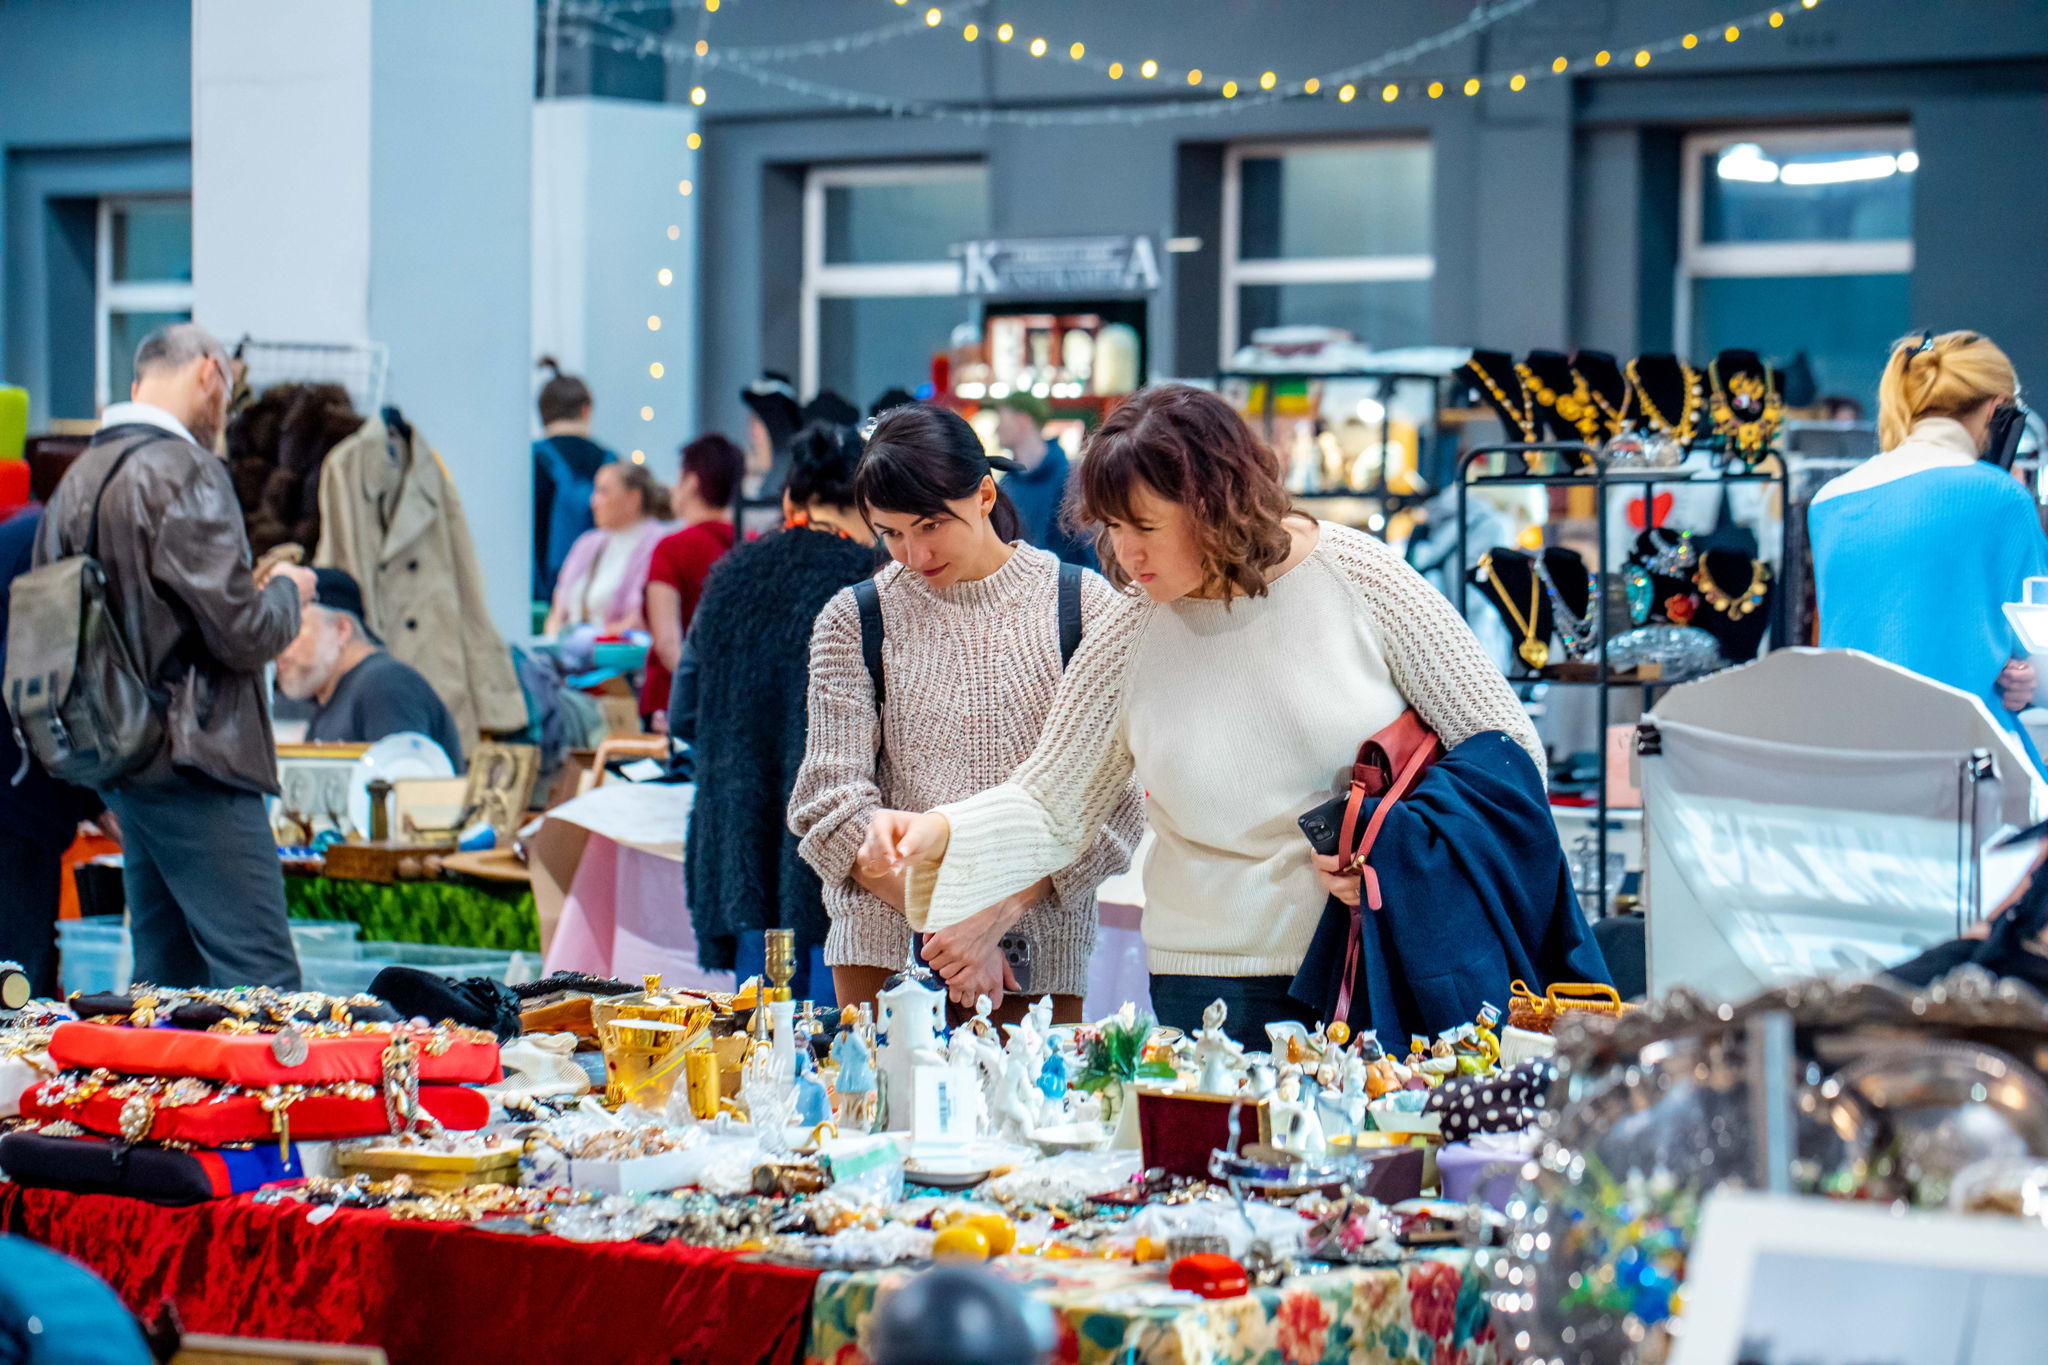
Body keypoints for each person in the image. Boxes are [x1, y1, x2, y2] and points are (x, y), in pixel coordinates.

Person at [861, 384, 1542, 1040]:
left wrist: (1398, 848)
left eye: (1146, 527)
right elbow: (1050, 803)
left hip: (1380, 961)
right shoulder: (1129, 631)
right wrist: (941, 832)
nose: (1126, 553)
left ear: (1217, 504)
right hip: (1206, 987)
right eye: (1114, 526)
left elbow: (1507, 750)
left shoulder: (1358, 576)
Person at [789, 404, 1144, 1023]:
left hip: (1033, 952)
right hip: (883, 951)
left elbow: (1113, 810)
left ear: (984, 495)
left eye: (930, 524)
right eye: (890, 532)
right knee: (879, 1115)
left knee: (1031, 1116)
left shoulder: (1083, 607)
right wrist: (950, 923)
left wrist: (992, 916)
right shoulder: (854, 617)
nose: (913, 552)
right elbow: (827, 801)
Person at [35, 323, 316, 990]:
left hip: (117, 756)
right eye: (232, 388)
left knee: (166, 980)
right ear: (209, 373)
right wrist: (286, 591)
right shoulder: (184, 470)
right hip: (195, 756)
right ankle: (274, 1102)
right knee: (265, 983)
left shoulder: (79, 478)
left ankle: (154, 1097)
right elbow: (242, 633)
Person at [681, 422, 879, 1004]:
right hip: (841, 857)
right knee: (841, 1054)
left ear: (792, 497)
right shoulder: (871, 583)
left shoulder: (730, 576)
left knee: (754, 1048)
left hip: (741, 837)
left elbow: (685, 708)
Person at [1809, 330, 2046, 771]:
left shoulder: (1828, 503)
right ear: (1997, 411)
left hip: (1849, 761)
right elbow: (2039, 644)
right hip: (1968, 767)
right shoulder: (2000, 497)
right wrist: (2028, 679)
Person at [0, 464, 103, 997]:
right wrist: (98, 794)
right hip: (16, 801)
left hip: (21, 793)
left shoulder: (30, 536)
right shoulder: (56, 551)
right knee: (15, 995)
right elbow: (39, 696)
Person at [275, 568, 465, 768]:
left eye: (292, 629)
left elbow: (402, 787)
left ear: (342, 629)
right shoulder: (333, 697)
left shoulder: (384, 684)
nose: (276, 647)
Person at [642, 434, 743, 727]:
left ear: (692, 481)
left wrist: (697, 696)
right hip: (738, 704)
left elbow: (667, 642)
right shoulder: (751, 542)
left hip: (674, 706)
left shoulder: (671, 548)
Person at [544, 461, 670, 636]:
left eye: (603, 492)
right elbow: (556, 610)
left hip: (620, 659)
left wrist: (593, 640)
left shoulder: (659, 544)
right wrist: (556, 641)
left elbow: (641, 620)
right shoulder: (587, 543)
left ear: (633, 498)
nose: (593, 501)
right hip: (570, 656)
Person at [532, 358, 617, 605]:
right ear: (585, 410)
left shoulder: (529, 460)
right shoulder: (613, 464)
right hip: (602, 595)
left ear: (542, 414)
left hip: (543, 596)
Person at [991, 392, 1094, 568]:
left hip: (1066, 588)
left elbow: (1087, 550)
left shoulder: (1069, 478)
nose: (997, 429)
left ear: (1023, 420)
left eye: (1002, 420)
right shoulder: (1006, 483)